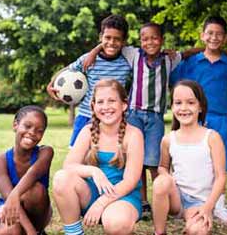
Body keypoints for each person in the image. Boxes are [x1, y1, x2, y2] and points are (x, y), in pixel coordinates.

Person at [83, 22, 201, 217]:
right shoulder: (133, 54)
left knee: (154, 160)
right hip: (134, 114)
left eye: (154, 38)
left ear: (162, 41)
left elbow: (188, 53)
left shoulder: (170, 59)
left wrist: (208, 49)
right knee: (135, 159)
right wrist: (94, 51)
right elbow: (110, 42)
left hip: (155, 117)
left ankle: (159, 199)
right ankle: (143, 200)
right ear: (140, 41)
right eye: (145, 39)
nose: (149, 42)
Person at [170, 16, 227, 222]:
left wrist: (216, 107)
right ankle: (186, 201)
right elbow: (177, 85)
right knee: (192, 160)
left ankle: (219, 205)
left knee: (221, 162)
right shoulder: (191, 62)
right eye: (210, 33)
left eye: (219, 34)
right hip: (194, 119)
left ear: (225, 38)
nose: (214, 37)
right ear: (203, 35)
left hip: (219, 119)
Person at [52, 79, 144, 235]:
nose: (106, 107)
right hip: (92, 193)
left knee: (117, 225)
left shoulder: (134, 134)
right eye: (100, 102)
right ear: (93, 107)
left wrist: (101, 203)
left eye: (112, 101)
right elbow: (69, 166)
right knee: (61, 178)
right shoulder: (88, 131)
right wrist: (94, 172)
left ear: (123, 105)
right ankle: (74, 233)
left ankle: (115, 216)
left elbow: (130, 181)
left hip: (122, 196)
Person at [152, 80, 226, 235]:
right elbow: (163, 167)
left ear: (200, 107)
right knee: (160, 182)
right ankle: (159, 232)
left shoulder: (212, 137)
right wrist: (167, 178)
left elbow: (221, 178)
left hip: (201, 202)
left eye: (190, 102)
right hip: (177, 199)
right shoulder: (168, 139)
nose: (184, 108)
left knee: (197, 231)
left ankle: (195, 222)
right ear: (172, 107)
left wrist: (208, 207)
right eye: (178, 103)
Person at [46, 14, 132, 148]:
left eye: (117, 39)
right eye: (107, 38)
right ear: (100, 37)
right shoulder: (88, 59)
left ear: (124, 41)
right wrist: (51, 83)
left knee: (105, 156)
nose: (111, 42)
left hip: (112, 118)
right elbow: (68, 69)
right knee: (77, 155)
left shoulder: (127, 62)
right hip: (86, 115)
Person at [0, 105, 54, 235]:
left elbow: (34, 173)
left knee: (36, 190)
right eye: (27, 126)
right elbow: (9, 198)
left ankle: (36, 230)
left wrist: (15, 194)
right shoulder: (0, 161)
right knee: (13, 231)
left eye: (39, 130)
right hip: (11, 209)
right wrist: (30, 232)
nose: (32, 132)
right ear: (15, 125)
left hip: (37, 212)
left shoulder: (46, 152)